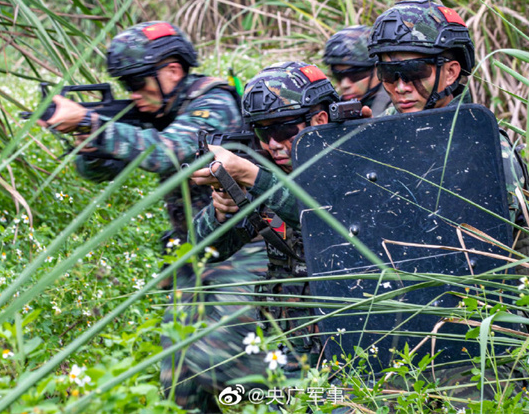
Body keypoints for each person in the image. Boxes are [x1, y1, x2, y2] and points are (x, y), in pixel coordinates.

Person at [368, 0, 529, 405]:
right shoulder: (372, 141)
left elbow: (507, 258)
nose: (400, 87)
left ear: (450, 70)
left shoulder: (486, 151)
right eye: (388, 74)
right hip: (397, 338)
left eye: (413, 72)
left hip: (477, 338)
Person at [159, 61, 339, 412]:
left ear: (319, 120)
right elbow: (208, 248)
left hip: (349, 337)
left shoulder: (346, 159)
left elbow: (325, 217)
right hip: (291, 340)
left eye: (285, 128)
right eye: (262, 132)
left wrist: (252, 175)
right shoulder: (268, 172)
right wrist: (223, 210)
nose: (273, 144)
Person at [38, 21, 242, 243]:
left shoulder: (214, 103)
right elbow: (102, 173)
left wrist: (93, 125)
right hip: (197, 243)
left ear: (173, 71)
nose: (134, 94)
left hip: (247, 245)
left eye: (137, 81)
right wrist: (91, 149)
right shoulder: (161, 112)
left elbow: (167, 153)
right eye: (127, 85)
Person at [323, 25, 391, 116]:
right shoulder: (332, 110)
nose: (345, 84)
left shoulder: (402, 104)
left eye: (355, 75)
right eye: (338, 76)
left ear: (380, 70)